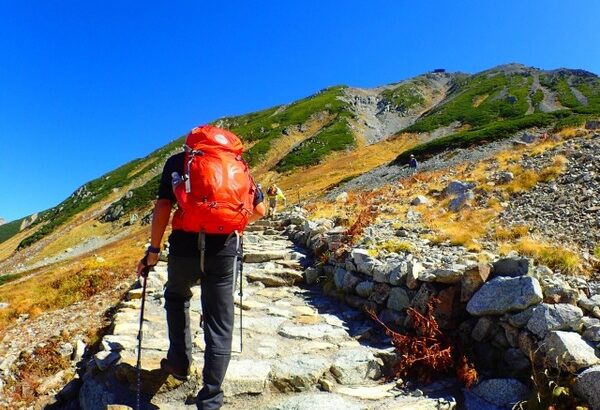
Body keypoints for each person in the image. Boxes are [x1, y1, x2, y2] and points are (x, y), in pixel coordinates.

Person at [137, 125, 265, 410]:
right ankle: (210, 400)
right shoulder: (238, 165)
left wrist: (154, 251)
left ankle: (180, 363)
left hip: (184, 247)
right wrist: (230, 225)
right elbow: (259, 210)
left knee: (177, 296)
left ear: (192, 143)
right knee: (220, 321)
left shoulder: (179, 162)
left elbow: (162, 207)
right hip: (225, 250)